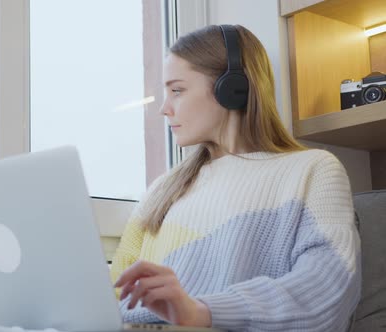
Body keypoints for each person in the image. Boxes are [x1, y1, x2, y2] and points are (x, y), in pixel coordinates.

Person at [110, 24, 361, 331]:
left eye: (177, 90)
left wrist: (200, 310)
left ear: (231, 89)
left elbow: (328, 288)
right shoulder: (163, 189)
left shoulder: (312, 170)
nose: (164, 108)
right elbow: (115, 291)